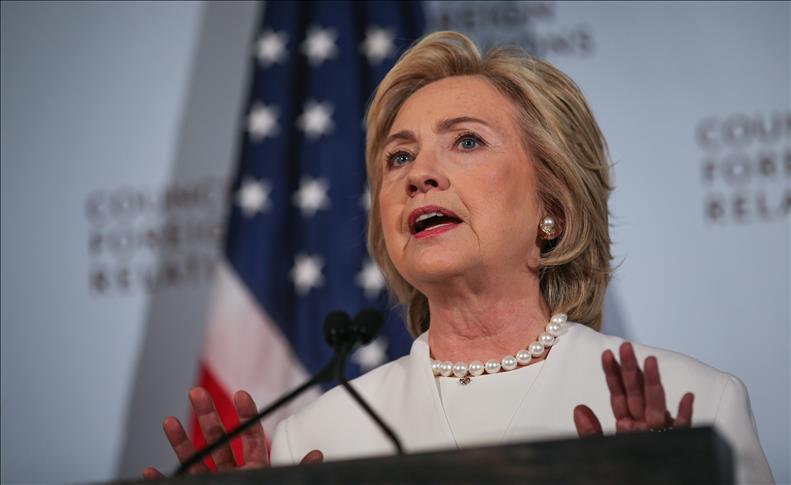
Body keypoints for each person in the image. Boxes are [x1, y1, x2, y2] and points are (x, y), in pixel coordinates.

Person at [144, 31, 774, 484]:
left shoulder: (696, 407)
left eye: (467, 141)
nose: (419, 174)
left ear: (552, 204)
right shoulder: (315, 439)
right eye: (399, 157)